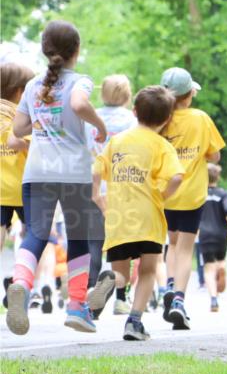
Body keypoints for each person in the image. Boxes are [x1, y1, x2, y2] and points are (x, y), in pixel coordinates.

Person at [5, 21, 111, 335]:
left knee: (36, 234)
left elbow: (18, 130)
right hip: (73, 172)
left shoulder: (32, 85)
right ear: (76, 50)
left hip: (37, 171)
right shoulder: (80, 81)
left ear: (45, 50)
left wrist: (41, 120)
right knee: (78, 237)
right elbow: (78, 103)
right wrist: (100, 125)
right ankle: (77, 306)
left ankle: (21, 282)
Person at [92, 85, 184, 340]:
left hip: (119, 216)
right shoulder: (162, 145)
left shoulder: (117, 141)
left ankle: (110, 280)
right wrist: (163, 196)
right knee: (148, 270)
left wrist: (96, 195)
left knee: (121, 273)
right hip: (148, 217)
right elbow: (177, 177)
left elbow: (96, 169)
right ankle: (134, 322)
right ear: (167, 119)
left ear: (134, 111)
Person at [159, 67, 225, 329]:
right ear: (188, 96)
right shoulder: (200, 118)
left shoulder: (159, 119)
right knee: (186, 248)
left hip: (165, 193)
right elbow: (215, 155)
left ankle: (169, 284)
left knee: (171, 243)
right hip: (192, 195)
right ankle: (178, 300)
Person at [85, 74, 137, 303]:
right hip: (122, 187)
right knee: (121, 241)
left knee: (94, 241)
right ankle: (121, 297)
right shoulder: (131, 120)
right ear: (127, 95)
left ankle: (89, 289)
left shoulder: (90, 118)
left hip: (94, 185)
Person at [199, 163, 227, 312]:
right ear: (217, 177)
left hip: (205, 234)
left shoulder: (200, 194)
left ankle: (213, 300)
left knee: (208, 268)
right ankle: (222, 268)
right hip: (221, 233)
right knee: (221, 260)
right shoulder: (223, 193)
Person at [1, 62, 34, 257]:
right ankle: (26, 271)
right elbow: (23, 144)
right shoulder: (22, 117)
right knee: (36, 236)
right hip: (23, 188)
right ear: (21, 92)